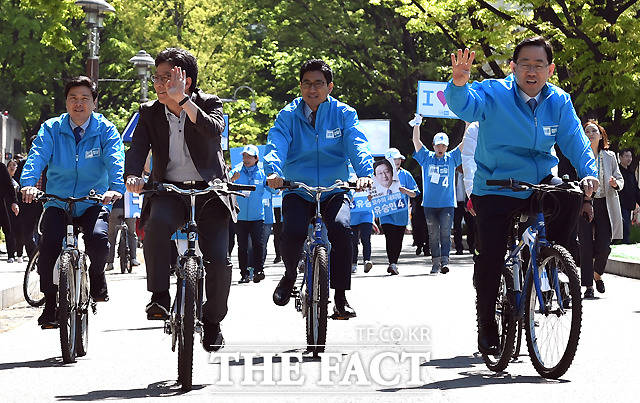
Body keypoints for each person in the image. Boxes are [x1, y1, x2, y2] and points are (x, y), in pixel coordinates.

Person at [445, 37, 599, 355]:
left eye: (539, 65)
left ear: (550, 69)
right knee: (490, 255)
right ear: (513, 67)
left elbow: (575, 139)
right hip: (495, 185)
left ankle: (551, 255)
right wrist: (459, 83)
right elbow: (465, 106)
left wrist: (589, 171)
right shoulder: (493, 92)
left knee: (570, 192)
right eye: (525, 64)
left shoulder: (559, 100)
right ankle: (487, 324)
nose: (532, 71)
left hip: (538, 181)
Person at [124, 48, 235, 352]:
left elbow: (214, 131)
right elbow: (136, 149)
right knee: (156, 226)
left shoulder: (209, 103)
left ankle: (212, 322)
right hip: (168, 190)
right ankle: (159, 296)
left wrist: (183, 101)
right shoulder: (148, 111)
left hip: (210, 192)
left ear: (186, 80)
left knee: (220, 261)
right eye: (157, 78)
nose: (160, 85)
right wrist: (133, 175)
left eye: (167, 78)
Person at [263, 59, 373, 320]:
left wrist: (365, 173)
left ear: (330, 87)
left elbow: (357, 143)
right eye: (307, 84)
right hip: (297, 188)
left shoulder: (344, 114)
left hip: (335, 187)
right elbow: (277, 141)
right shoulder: (288, 115)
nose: (313, 89)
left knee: (342, 229)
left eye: (319, 84)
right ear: (300, 86)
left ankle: (341, 297)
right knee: (292, 231)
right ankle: (290, 275)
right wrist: (273, 171)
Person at [21, 76, 124, 329]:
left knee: (99, 240)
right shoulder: (52, 128)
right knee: (49, 246)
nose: (78, 104)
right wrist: (28, 183)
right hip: (58, 201)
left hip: (93, 200)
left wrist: (115, 189)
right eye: (73, 98)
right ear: (66, 102)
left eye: (84, 98)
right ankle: (50, 302)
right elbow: (37, 156)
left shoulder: (106, 129)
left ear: (94, 103)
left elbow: (115, 159)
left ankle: (98, 276)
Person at [578, 120, 623, 299]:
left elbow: (620, 178)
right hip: (584, 203)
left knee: (604, 245)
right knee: (586, 246)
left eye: (593, 131)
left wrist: (615, 183)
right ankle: (588, 285)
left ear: (601, 134)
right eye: (586, 131)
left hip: (605, 204)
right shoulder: (579, 155)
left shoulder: (610, 156)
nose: (590, 133)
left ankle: (597, 275)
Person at [411, 122, 462, 275]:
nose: (441, 148)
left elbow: (464, 143)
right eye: (438, 145)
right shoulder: (426, 157)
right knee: (433, 235)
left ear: (447, 147)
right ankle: (435, 263)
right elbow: (416, 141)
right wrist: (417, 125)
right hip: (429, 204)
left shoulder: (452, 158)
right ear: (433, 146)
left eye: (444, 146)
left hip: (447, 204)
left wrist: (467, 123)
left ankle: (445, 261)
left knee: (445, 233)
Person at [229, 144, 274, 284]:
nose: (246, 159)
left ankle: (259, 271)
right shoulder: (236, 171)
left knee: (258, 244)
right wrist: (231, 180)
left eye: (249, 157)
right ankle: (244, 274)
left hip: (257, 217)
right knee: (242, 246)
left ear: (256, 158)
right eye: (244, 156)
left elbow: (273, 190)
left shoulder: (262, 173)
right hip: (240, 217)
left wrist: (275, 185)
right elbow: (226, 186)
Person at [378, 148, 418, 275]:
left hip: (401, 214)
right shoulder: (379, 174)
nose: (397, 161)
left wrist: (404, 190)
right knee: (390, 237)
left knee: (398, 239)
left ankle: (394, 262)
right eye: (394, 159)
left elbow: (415, 194)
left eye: (398, 159)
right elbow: (374, 193)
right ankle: (392, 263)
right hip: (386, 213)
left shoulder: (406, 175)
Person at [105, 196, 140, 271]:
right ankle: (133, 258)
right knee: (132, 233)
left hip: (115, 209)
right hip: (131, 209)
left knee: (111, 236)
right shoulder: (132, 184)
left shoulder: (115, 184)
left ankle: (110, 263)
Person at [350, 183, 374, 274]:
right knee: (353, 241)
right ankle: (353, 263)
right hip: (352, 218)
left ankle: (367, 261)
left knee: (366, 238)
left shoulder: (369, 190)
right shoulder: (350, 190)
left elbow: (376, 199)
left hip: (366, 216)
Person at [618, 149, 640, 244]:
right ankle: (624, 243)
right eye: (626, 156)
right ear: (620, 157)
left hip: (629, 205)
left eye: (630, 156)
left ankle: (624, 242)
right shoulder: (617, 172)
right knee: (625, 226)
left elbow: (635, 189)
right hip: (620, 204)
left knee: (627, 226)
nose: (629, 159)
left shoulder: (631, 172)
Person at [5, 159, 21, 262]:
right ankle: (11, 255)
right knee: (8, 232)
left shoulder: (18, 180)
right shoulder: (4, 179)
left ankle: (18, 253)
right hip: (5, 209)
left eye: (14, 165)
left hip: (17, 210)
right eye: (10, 165)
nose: (12, 167)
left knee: (17, 232)